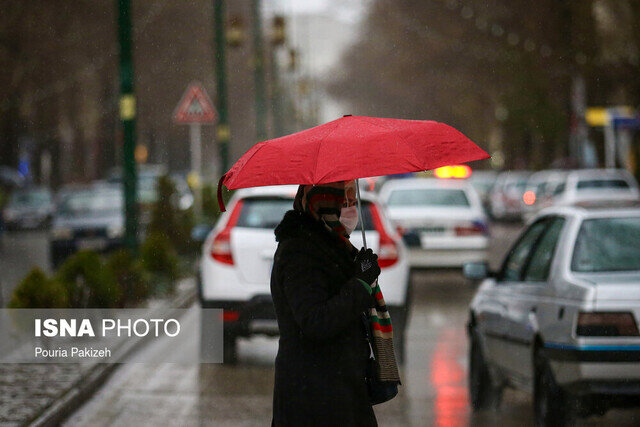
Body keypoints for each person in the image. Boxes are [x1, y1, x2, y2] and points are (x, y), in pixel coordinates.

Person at [270, 181, 380, 426]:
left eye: (353, 202)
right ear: (324, 201)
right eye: (345, 201)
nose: (351, 209)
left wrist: (357, 268)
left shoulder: (331, 244)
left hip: (336, 391)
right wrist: (361, 284)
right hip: (314, 398)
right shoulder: (300, 251)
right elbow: (315, 321)